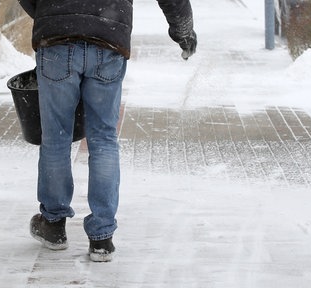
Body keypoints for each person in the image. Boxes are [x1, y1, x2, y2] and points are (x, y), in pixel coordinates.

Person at [18, 0, 197, 262]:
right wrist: (183, 31)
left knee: (56, 138)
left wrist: (52, 13)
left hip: (56, 40)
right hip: (107, 37)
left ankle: (54, 225)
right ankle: (102, 237)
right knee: (103, 140)